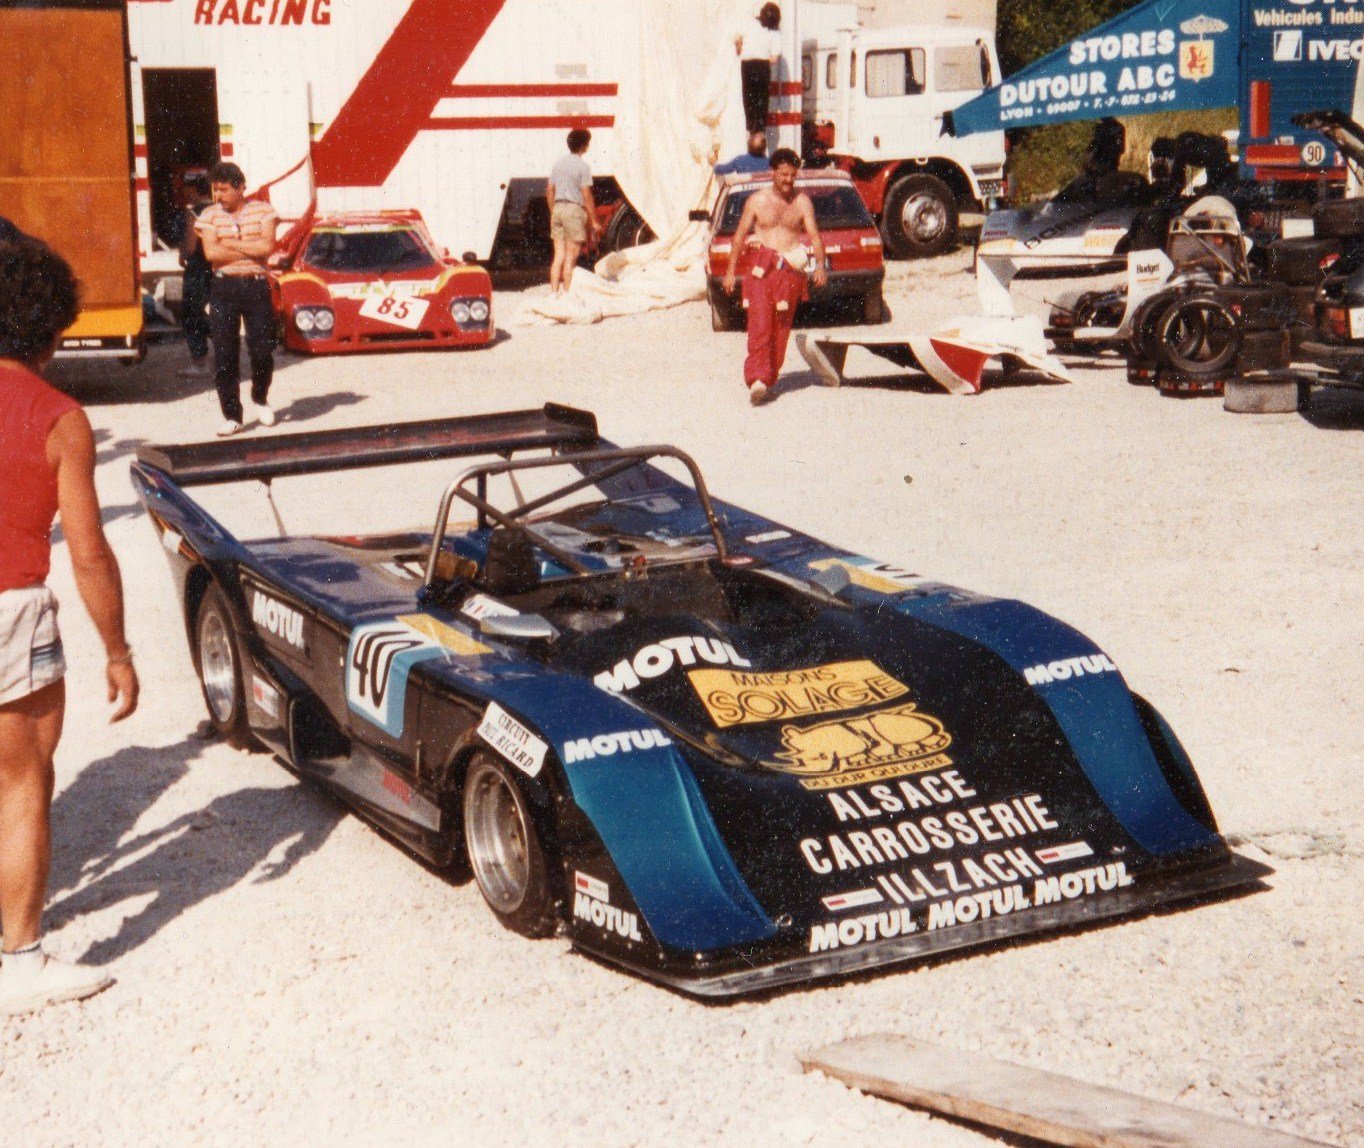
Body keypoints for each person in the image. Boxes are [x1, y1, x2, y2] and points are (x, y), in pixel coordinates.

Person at [0, 234, 139, 1016]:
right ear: (51, 329)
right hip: (9, 607)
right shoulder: (59, 416)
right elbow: (87, 551)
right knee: (20, 782)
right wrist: (116, 649)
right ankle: (19, 964)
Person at [722, 147, 827, 404]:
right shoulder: (757, 201)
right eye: (783, 175)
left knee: (780, 328)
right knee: (760, 324)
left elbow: (814, 235)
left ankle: (769, 377)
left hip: (789, 272)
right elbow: (739, 237)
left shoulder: (802, 202)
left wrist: (820, 266)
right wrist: (730, 272)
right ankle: (757, 379)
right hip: (761, 269)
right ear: (773, 173)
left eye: (792, 175)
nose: (788, 181)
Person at [195, 161, 279, 436]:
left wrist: (229, 244)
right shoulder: (209, 215)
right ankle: (232, 415)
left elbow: (267, 247)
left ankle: (260, 397)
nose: (218, 196)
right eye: (215, 190)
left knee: (262, 349)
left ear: (241, 187)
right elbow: (211, 254)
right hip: (224, 289)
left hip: (255, 286)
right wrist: (250, 250)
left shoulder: (263, 211)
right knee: (225, 353)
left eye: (224, 190)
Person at [546, 128, 601, 295]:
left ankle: (554, 294)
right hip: (573, 209)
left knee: (558, 257)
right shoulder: (583, 166)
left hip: (558, 209)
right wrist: (594, 221)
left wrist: (553, 211)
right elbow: (586, 195)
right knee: (571, 258)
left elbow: (549, 191)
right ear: (583, 146)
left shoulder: (558, 164)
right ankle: (568, 294)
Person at [177, 173, 215, 378]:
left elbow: (191, 248)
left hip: (198, 268)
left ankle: (199, 362)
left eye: (185, 187)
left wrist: (182, 254)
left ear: (193, 189)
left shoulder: (193, 212)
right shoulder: (216, 211)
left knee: (192, 313)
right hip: (216, 266)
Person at [736, 3, 782, 134]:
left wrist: (741, 50)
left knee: (748, 103)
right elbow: (774, 58)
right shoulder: (774, 32)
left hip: (747, 66)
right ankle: (759, 133)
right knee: (761, 107)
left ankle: (749, 132)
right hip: (763, 67)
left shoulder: (748, 23)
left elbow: (737, 40)